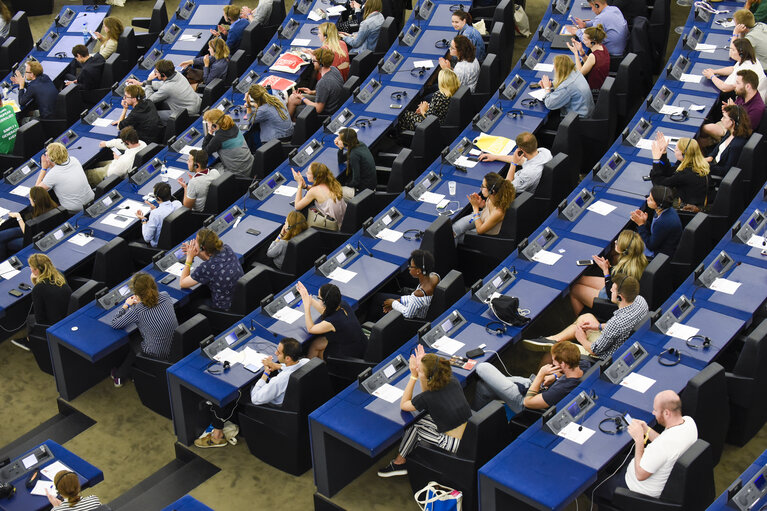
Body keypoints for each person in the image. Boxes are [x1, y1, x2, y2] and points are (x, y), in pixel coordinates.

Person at [195, 338, 310, 448]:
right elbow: (290, 368)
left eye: (279, 352)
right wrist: (277, 365)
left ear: (288, 358)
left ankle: (217, 436)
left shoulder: (278, 382)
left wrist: (265, 373)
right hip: (299, 405)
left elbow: (255, 398)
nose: (275, 353)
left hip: (271, 408)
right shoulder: (306, 362)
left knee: (223, 390)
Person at [377, 345, 471, 477]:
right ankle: (404, 456)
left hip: (454, 444)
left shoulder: (428, 398)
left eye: (421, 371)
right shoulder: (452, 380)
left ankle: (399, 463)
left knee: (415, 426)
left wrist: (413, 376)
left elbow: (404, 405)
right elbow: (427, 391)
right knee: (422, 419)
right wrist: (425, 363)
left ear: (428, 377)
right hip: (469, 432)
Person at [595, 390, 698, 500]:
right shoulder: (689, 422)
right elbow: (666, 444)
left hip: (633, 489)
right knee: (609, 460)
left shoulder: (662, 446)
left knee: (593, 484)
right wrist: (646, 430)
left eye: (656, 410)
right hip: (643, 469)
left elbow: (640, 475)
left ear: (667, 413)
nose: (653, 413)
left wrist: (639, 440)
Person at [524, 275, 649, 365]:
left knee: (555, 351)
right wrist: (598, 327)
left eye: (613, 289)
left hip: (602, 357)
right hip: (618, 340)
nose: (610, 290)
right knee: (586, 318)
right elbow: (619, 327)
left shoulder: (617, 322)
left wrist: (581, 339)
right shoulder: (640, 301)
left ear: (620, 297)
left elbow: (594, 350)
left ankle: (537, 384)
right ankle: (552, 339)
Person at [473, 341, 583, 414]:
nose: (552, 362)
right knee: (483, 387)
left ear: (563, 364)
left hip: (523, 401)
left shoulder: (559, 391)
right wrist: (554, 376)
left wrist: (541, 375)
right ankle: (477, 419)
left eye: (554, 360)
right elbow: (566, 371)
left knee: (482, 367)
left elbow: (527, 402)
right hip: (534, 385)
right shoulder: (582, 365)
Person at [111, 272, 178, 386]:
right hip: (174, 347)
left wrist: (126, 305)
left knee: (133, 339)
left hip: (156, 353)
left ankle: (119, 376)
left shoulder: (138, 310)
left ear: (136, 293)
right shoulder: (165, 296)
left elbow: (115, 323)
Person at [569, 230, 648, 315]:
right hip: (620, 289)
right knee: (580, 279)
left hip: (613, 299)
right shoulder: (640, 260)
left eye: (618, 242)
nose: (615, 242)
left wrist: (606, 271)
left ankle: (582, 321)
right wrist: (608, 268)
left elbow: (611, 294)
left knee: (574, 289)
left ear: (623, 250)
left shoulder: (623, 271)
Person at [13, 253, 72, 352]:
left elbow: (39, 318)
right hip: (67, 317)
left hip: (54, 324)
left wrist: (35, 283)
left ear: (36, 270)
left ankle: (31, 342)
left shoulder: (39, 288)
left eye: (31, 267)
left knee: (30, 319)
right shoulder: (59, 275)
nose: (30, 269)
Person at [180, 228, 244, 311]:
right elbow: (212, 261)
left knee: (190, 305)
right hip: (239, 300)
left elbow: (183, 283)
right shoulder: (227, 249)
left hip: (224, 309)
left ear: (202, 247)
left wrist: (189, 259)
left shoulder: (207, 267)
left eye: (196, 241)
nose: (193, 243)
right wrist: (199, 252)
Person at [297, 281, 365, 359]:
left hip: (351, 354)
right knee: (316, 343)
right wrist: (308, 297)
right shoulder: (343, 304)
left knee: (317, 350)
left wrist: (306, 307)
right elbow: (325, 311)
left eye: (319, 298)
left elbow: (310, 329)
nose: (318, 299)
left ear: (325, 302)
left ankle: (313, 367)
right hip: (359, 345)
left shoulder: (331, 322)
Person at [126, 60, 202, 122]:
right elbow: (163, 84)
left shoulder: (168, 88)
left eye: (156, 71)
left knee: (150, 116)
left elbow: (149, 99)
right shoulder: (177, 74)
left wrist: (149, 81)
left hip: (189, 112)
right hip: (195, 103)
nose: (155, 73)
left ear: (163, 75)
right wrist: (141, 83)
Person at [374, 249, 440, 320]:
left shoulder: (418, 294)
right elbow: (413, 300)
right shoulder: (434, 276)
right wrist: (400, 300)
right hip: (418, 308)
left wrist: (393, 303)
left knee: (377, 298)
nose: (409, 268)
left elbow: (408, 314)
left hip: (413, 320)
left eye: (411, 266)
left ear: (418, 271)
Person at [452, 172, 516, 244]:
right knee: (453, 230)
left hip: (484, 233)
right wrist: (482, 205)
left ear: (492, 191)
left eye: (483, 186)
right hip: (482, 216)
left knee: (455, 237)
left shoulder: (498, 212)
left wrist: (475, 207)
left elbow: (480, 230)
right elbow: (489, 210)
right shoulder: (494, 196)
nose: (481, 188)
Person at [478, 132, 552, 194]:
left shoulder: (528, 174)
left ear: (521, 150)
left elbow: (506, 189)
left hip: (516, 195)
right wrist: (495, 157)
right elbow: (523, 160)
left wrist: (513, 164)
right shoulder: (544, 152)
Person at [650, 133, 709, 210]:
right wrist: (663, 153)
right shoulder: (696, 164)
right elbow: (669, 171)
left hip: (687, 207)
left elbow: (659, 184)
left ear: (684, 154)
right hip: (699, 200)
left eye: (677, 149)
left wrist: (656, 161)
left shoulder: (685, 174)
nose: (674, 150)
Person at [702, 70, 765, 140]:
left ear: (748, 86)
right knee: (702, 135)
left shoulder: (757, 109)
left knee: (704, 129)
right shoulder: (743, 94)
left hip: (734, 132)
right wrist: (729, 109)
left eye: (738, 83)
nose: (735, 85)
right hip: (728, 122)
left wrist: (733, 111)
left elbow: (744, 131)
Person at [0, 187, 57, 261]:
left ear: (35, 200)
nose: (29, 199)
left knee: (7, 243)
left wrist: (18, 217)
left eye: (30, 197)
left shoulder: (38, 219)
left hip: (31, 241)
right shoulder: (52, 206)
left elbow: (27, 233)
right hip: (33, 232)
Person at [36, 143, 94, 214]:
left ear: (51, 158)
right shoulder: (74, 160)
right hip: (92, 200)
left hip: (74, 211)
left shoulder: (53, 174)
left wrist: (44, 168)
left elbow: (35, 193)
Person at [702, 39, 767, 102]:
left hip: (751, 101)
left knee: (724, 96)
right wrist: (715, 71)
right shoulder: (752, 59)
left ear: (741, 53)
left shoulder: (743, 70)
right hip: (760, 93)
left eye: (733, 50)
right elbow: (732, 69)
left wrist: (712, 76)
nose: (731, 52)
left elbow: (724, 87)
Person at [287, 48, 344, 118]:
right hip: (331, 102)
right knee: (293, 98)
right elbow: (329, 90)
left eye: (314, 61)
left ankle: (292, 124)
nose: (313, 63)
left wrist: (302, 98)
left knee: (295, 107)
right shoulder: (334, 69)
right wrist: (312, 92)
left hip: (325, 112)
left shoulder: (323, 83)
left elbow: (318, 109)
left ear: (321, 64)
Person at [292, 162, 347, 231]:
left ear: (315, 177)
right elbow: (319, 191)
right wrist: (305, 186)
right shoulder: (331, 183)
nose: (306, 174)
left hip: (334, 227)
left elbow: (297, 206)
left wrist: (299, 185)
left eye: (308, 173)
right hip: (344, 220)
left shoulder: (314, 191)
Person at [630, 185, 682, 257]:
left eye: (651, 199)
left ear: (659, 204)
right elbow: (656, 232)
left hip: (659, 254)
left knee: (625, 246)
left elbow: (651, 245)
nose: (647, 199)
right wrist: (645, 222)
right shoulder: (664, 210)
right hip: (660, 244)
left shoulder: (663, 222)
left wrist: (641, 225)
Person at [201, 110, 254, 176]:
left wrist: (209, 133)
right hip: (250, 165)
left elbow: (204, 152)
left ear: (214, 125)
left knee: (209, 172)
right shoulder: (233, 126)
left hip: (238, 173)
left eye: (208, 123)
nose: (207, 125)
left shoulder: (219, 137)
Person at [706, 105, 752, 178]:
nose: (721, 119)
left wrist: (706, 166)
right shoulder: (730, 132)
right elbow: (718, 147)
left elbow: (726, 171)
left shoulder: (736, 145)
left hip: (715, 173)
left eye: (724, 117)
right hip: (712, 164)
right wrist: (711, 156)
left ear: (732, 122)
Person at [567, 25, 610, 97]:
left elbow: (580, 73)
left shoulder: (593, 56)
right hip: (603, 83)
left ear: (593, 42)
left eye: (585, 40)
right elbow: (591, 63)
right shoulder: (602, 47)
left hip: (595, 90)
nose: (583, 41)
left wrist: (575, 53)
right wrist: (581, 51)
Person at [137, 181, 182, 247]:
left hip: (159, 246)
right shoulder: (178, 204)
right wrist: (156, 210)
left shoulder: (155, 214)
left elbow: (147, 238)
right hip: (176, 238)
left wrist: (143, 220)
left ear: (158, 198)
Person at [335, 128, 376, 198]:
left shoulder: (353, 155)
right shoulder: (360, 144)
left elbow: (355, 181)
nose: (337, 140)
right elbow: (341, 159)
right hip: (371, 186)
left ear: (345, 142)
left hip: (363, 193)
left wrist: (345, 184)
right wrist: (340, 148)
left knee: (333, 190)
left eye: (339, 139)